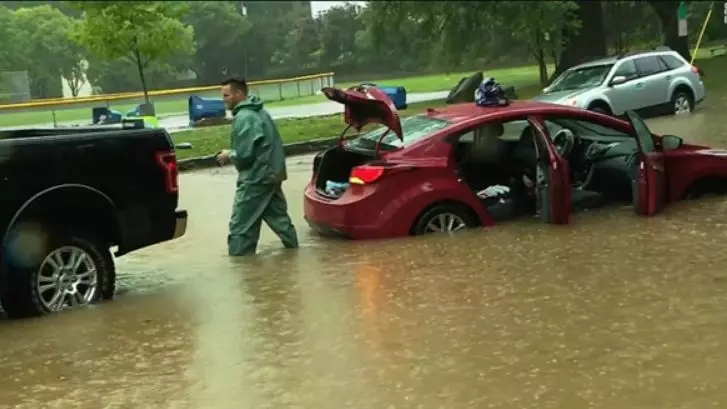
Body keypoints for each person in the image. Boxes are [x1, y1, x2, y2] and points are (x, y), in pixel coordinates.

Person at [215, 77, 299, 256]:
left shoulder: (245, 117)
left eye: (226, 95)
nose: (224, 100)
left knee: (240, 227)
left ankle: (240, 267)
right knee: (279, 220)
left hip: (256, 178)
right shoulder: (260, 112)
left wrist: (229, 154)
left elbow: (245, 155)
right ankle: (294, 252)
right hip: (271, 175)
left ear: (239, 94)